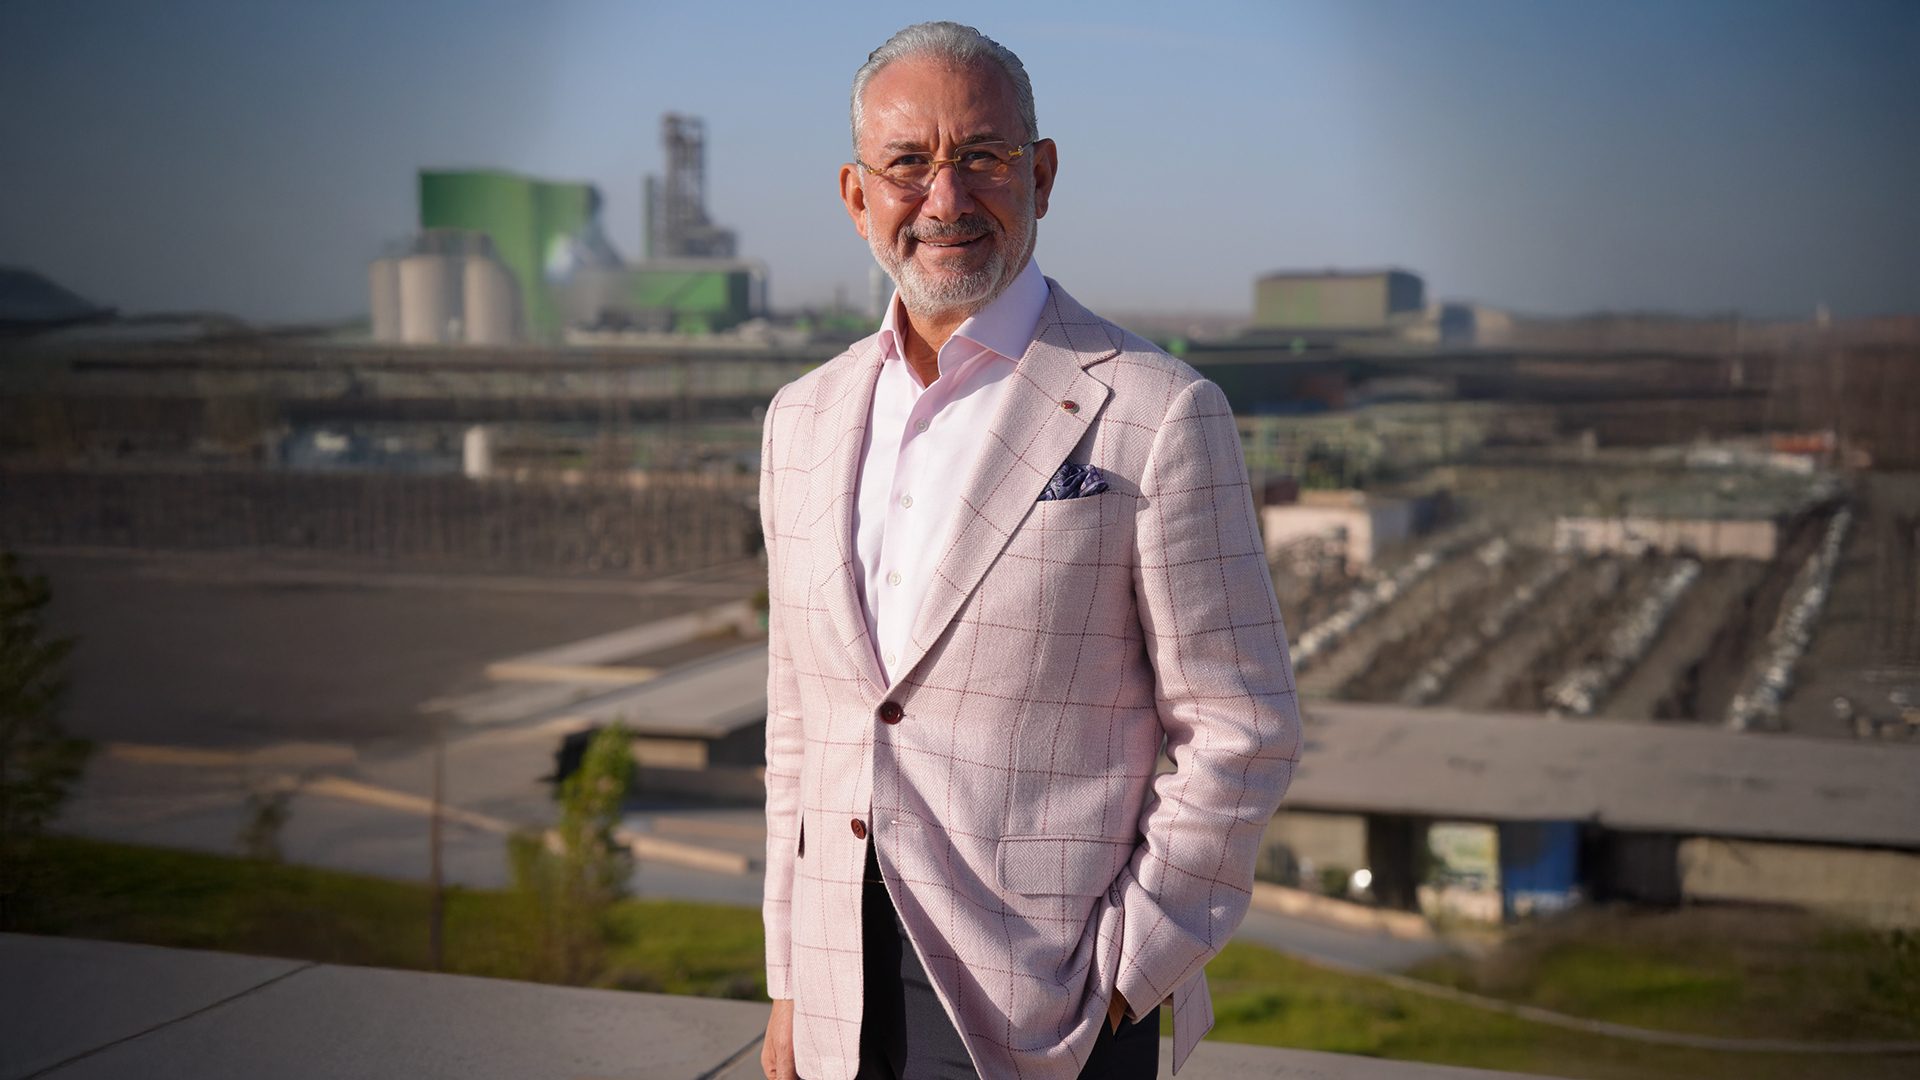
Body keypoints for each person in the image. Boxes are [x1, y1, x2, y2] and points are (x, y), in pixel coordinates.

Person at [759, 21, 1299, 1080]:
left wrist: (1124, 976)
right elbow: (801, 718)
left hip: (1050, 1007)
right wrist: (790, 976)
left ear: (1041, 175)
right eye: (908, 164)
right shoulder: (802, 418)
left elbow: (1239, 724)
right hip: (841, 997)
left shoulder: (1157, 410)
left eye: (984, 157)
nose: (946, 200)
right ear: (856, 193)